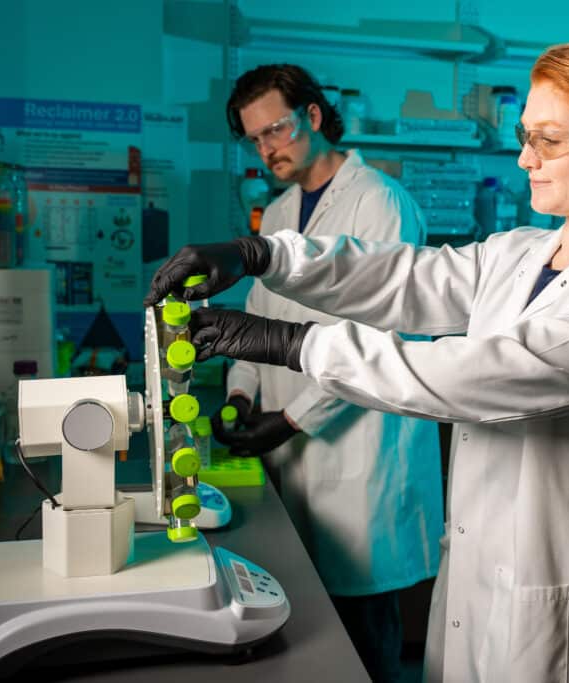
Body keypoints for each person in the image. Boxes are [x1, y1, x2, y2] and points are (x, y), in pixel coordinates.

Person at [146, 38, 569, 682]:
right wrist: (263, 256)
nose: (525, 158)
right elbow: (404, 276)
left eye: (548, 140)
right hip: (480, 576)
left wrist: (289, 344)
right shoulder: (522, 252)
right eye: (526, 136)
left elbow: (471, 374)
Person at [203, 64, 445, 683]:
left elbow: (379, 336)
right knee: (308, 627)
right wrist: (237, 395)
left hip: (360, 455)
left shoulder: (380, 202)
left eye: (276, 129)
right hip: (293, 453)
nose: (267, 148)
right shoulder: (279, 211)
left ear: (313, 116)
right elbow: (257, 316)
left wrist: (289, 419)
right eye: (254, 138)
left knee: (364, 635)